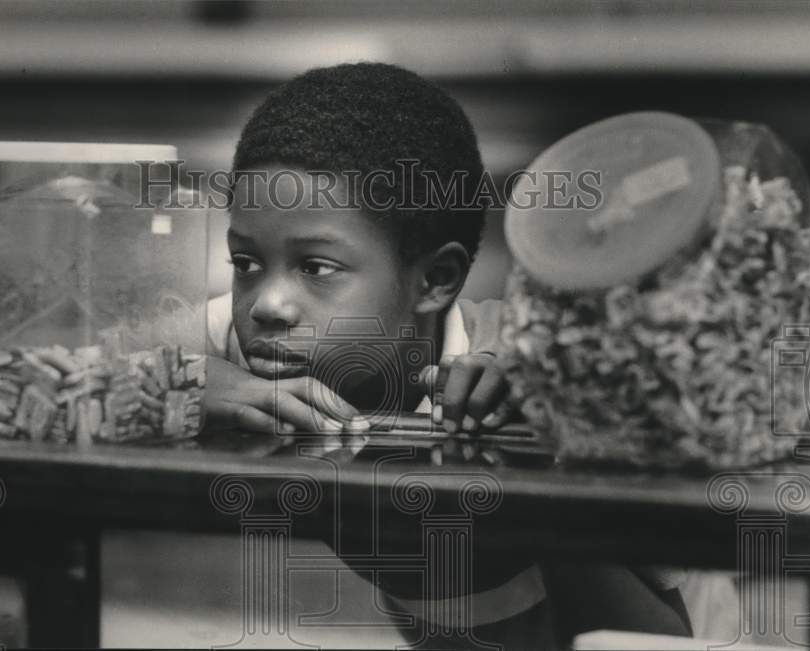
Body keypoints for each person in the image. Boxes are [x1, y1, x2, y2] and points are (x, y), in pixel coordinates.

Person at [203, 62, 692, 649]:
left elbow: (664, 638)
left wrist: (550, 477)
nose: (267, 303)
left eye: (316, 267)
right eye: (245, 263)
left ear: (435, 280)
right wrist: (181, 382)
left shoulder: (529, 372)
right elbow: (105, 356)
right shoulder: (259, 348)